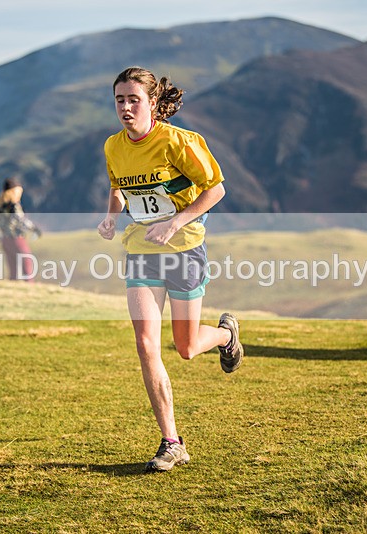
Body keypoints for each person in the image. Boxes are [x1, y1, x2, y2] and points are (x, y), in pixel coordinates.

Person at [97, 66, 244, 472]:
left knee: (186, 348)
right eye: (119, 100)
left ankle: (226, 334)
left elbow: (216, 189)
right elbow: (118, 187)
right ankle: (171, 442)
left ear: (153, 103)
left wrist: (175, 223)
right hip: (141, 251)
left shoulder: (179, 142)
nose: (126, 108)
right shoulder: (113, 146)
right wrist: (111, 216)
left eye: (134, 100)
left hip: (185, 250)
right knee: (146, 343)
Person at [0, 177, 40, 282]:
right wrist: (34, 229)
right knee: (27, 264)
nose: (20, 195)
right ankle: (29, 286)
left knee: (13, 268)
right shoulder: (14, 206)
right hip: (16, 239)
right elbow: (21, 220)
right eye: (19, 192)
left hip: (5, 239)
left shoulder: (1, 205)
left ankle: (13, 287)